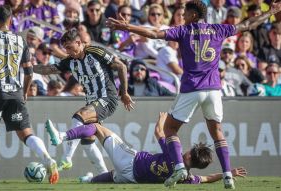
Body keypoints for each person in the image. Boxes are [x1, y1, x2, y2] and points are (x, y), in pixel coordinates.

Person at [106, 0, 281, 189]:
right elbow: (248, 24)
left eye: (186, 14)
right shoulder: (219, 29)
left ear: (194, 15)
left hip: (192, 89)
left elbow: (154, 33)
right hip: (214, 90)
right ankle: (228, 175)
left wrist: (128, 26)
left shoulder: (183, 31)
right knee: (218, 133)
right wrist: (270, 12)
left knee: (170, 130)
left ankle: (180, 167)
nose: (183, 16)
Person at [0, 5, 59, 187]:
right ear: (10, 20)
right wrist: (23, 92)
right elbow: (30, 72)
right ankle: (47, 158)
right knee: (26, 134)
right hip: (15, 93)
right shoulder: (21, 40)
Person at [33, 29, 134, 174]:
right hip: (92, 102)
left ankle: (67, 156)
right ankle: (103, 174)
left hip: (107, 98)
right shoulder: (70, 61)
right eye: (65, 48)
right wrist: (28, 67)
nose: (68, 51)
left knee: (78, 116)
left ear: (79, 42)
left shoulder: (95, 52)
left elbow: (121, 66)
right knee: (88, 142)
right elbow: (49, 69)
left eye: (70, 47)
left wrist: (123, 92)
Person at [45, 112, 247, 184]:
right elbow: (204, 179)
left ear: (188, 154)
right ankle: (88, 180)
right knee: (112, 177)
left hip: (131, 161)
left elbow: (159, 133)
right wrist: (227, 173)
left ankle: (62, 136)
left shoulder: (173, 155)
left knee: (97, 128)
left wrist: (161, 120)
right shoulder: (186, 177)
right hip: (133, 179)